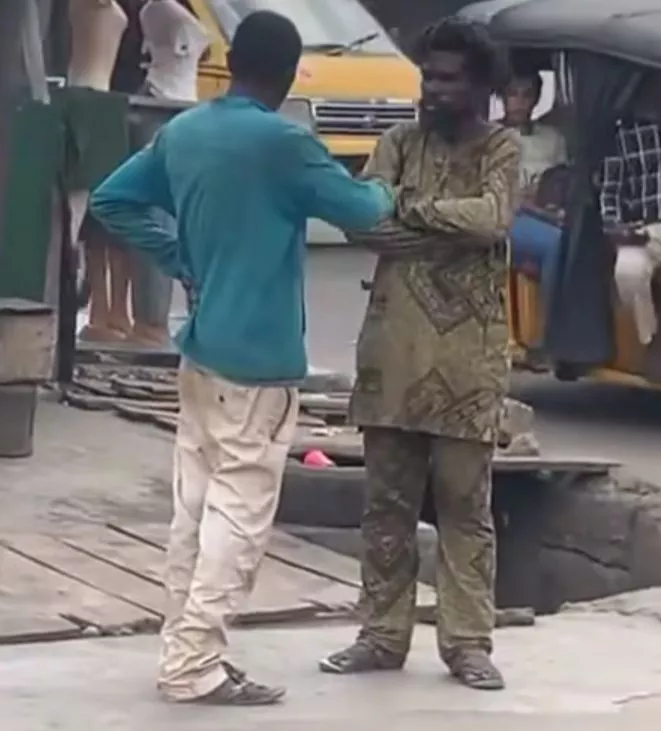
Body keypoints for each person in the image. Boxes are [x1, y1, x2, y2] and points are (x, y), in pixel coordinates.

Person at [90, 10, 394, 706]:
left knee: (192, 512)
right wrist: (387, 183)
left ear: (232, 62)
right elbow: (364, 210)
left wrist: (180, 257)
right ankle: (195, 662)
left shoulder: (187, 129)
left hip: (199, 352)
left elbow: (113, 200)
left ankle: (182, 647)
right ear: (288, 75)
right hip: (257, 363)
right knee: (238, 516)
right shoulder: (286, 143)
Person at [319, 18, 520, 690]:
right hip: (392, 358)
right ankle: (380, 634)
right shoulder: (398, 142)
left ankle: (467, 642)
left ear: (483, 85)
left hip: (469, 360)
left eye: (447, 78)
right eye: (427, 75)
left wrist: (410, 214)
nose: (431, 88)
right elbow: (362, 219)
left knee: (466, 505)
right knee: (386, 505)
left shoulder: (503, 149)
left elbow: (493, 218)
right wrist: (437, 224)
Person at [598, 72, 661, 346]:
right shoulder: (623, 138)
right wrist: (614, 227)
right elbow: (609, 194)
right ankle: (651, 338)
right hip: (646, 231)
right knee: (628, 270)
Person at [501, 69, 568, 334]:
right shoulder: (492, 137)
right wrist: (544, 214)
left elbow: (563, 180)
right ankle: (548, 335)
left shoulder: (552, 137)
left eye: (527, 95)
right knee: (556, 243)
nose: (519, 102)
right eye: (512, 94)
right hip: (508, 216)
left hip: (549, 214)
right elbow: (506, 196)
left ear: (537, 98)